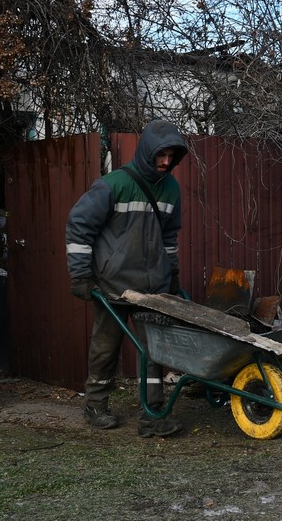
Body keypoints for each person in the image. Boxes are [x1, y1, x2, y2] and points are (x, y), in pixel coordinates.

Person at [65, 120, 189, 437]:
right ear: (148, 150)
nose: (165, 162)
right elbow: (79, 226)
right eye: (161, 155)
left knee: (154, 351)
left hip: (153, 288)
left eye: (172, 156)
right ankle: (95, 406)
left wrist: (171, 273)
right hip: (114, 285)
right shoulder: (114, 184)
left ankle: (153, 416)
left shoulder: (171, 188)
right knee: (105, 347)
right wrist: (80, 275)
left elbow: (170, 236)